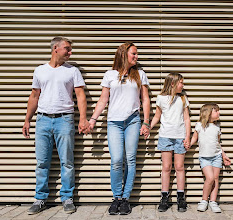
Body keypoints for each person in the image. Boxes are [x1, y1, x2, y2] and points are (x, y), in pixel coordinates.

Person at [22, 36, 88, 215]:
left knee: (67, 161)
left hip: (64, 119)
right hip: (42, 120)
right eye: (67, 48)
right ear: (55, 49)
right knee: (42, 162)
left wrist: (83, 119)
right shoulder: (40, 70)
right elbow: (34, 96)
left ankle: (67, 198)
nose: (70, 52)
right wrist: (27, 119)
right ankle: (40, 198)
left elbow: (80, 96)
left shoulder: (72, 71)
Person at [85, 42, 150, 215]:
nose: (136, 57)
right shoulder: (110, 75)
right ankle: (116, 198)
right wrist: (92, 120)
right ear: (123, 54)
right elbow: (103, 100)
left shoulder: (140, 74)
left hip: (133, 121)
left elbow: (145, 100)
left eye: (137, 54)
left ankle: (126, 199)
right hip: (114, 122)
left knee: (130, 159)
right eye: (133, 54)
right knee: (116, 160)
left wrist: (146, 122)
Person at [150, 73, 191, 212]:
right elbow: (157, 115)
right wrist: (149, 127)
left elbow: (186, 119)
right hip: (165, 137)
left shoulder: (183, 98)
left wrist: (188, 137)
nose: (183, 85)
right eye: (181, 82)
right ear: (172, 83)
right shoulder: (161, 98)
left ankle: (180, 197)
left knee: (179, 167)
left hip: (180, 137)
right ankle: (164, 197)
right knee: (166, 167)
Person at [190, 103, 231, 213]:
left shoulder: (217, 127)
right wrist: (188, 145)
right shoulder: (199, 125)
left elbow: (217, 143)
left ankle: (213, 201)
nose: (219, 113)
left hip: (216, 156)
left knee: (216, 179)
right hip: (205, 157)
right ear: (208, 113)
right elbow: (194, 138)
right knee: (210, 178)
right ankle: (204, 200)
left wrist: (224, 155)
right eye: (216, 111)